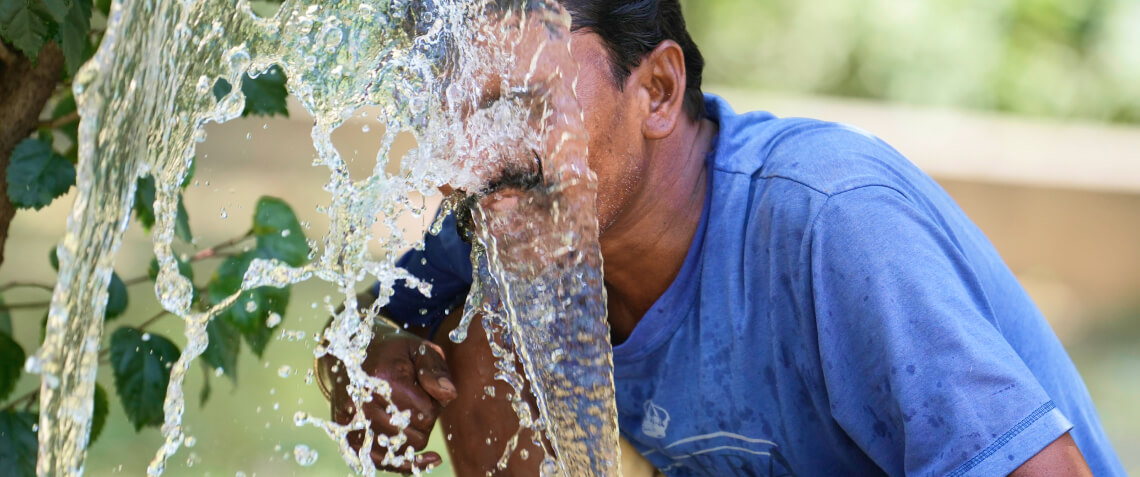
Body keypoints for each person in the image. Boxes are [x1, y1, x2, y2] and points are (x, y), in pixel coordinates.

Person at [323, 1, 1126, 475]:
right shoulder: (514, 212)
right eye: (460, 112)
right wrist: (371, 366)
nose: (468, 159)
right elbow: (365, 325)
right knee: (472, 336)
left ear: (660, 91)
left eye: (521, 107)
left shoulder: (831, 219)